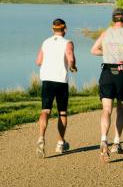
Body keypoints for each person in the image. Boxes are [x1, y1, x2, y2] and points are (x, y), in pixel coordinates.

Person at [91, 8, 123, 163]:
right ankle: (116, 143)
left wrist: (107, 52)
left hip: (106, 72)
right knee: (120, 108)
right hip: (122, 71)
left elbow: (94, 50)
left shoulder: (105, 34)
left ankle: (104, 139)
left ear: (113, 20)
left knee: (106, 109)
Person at [35, 18, 77, 158]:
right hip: (60, 81)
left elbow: (38, 61)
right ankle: (60, 143)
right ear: (65, 29)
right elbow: (70, 58)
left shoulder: (45, 42)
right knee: (62, 113)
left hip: (47, 80)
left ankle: (41, 138)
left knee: (45, 110)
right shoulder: (68, 43)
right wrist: (72, 66)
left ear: (53, 29)